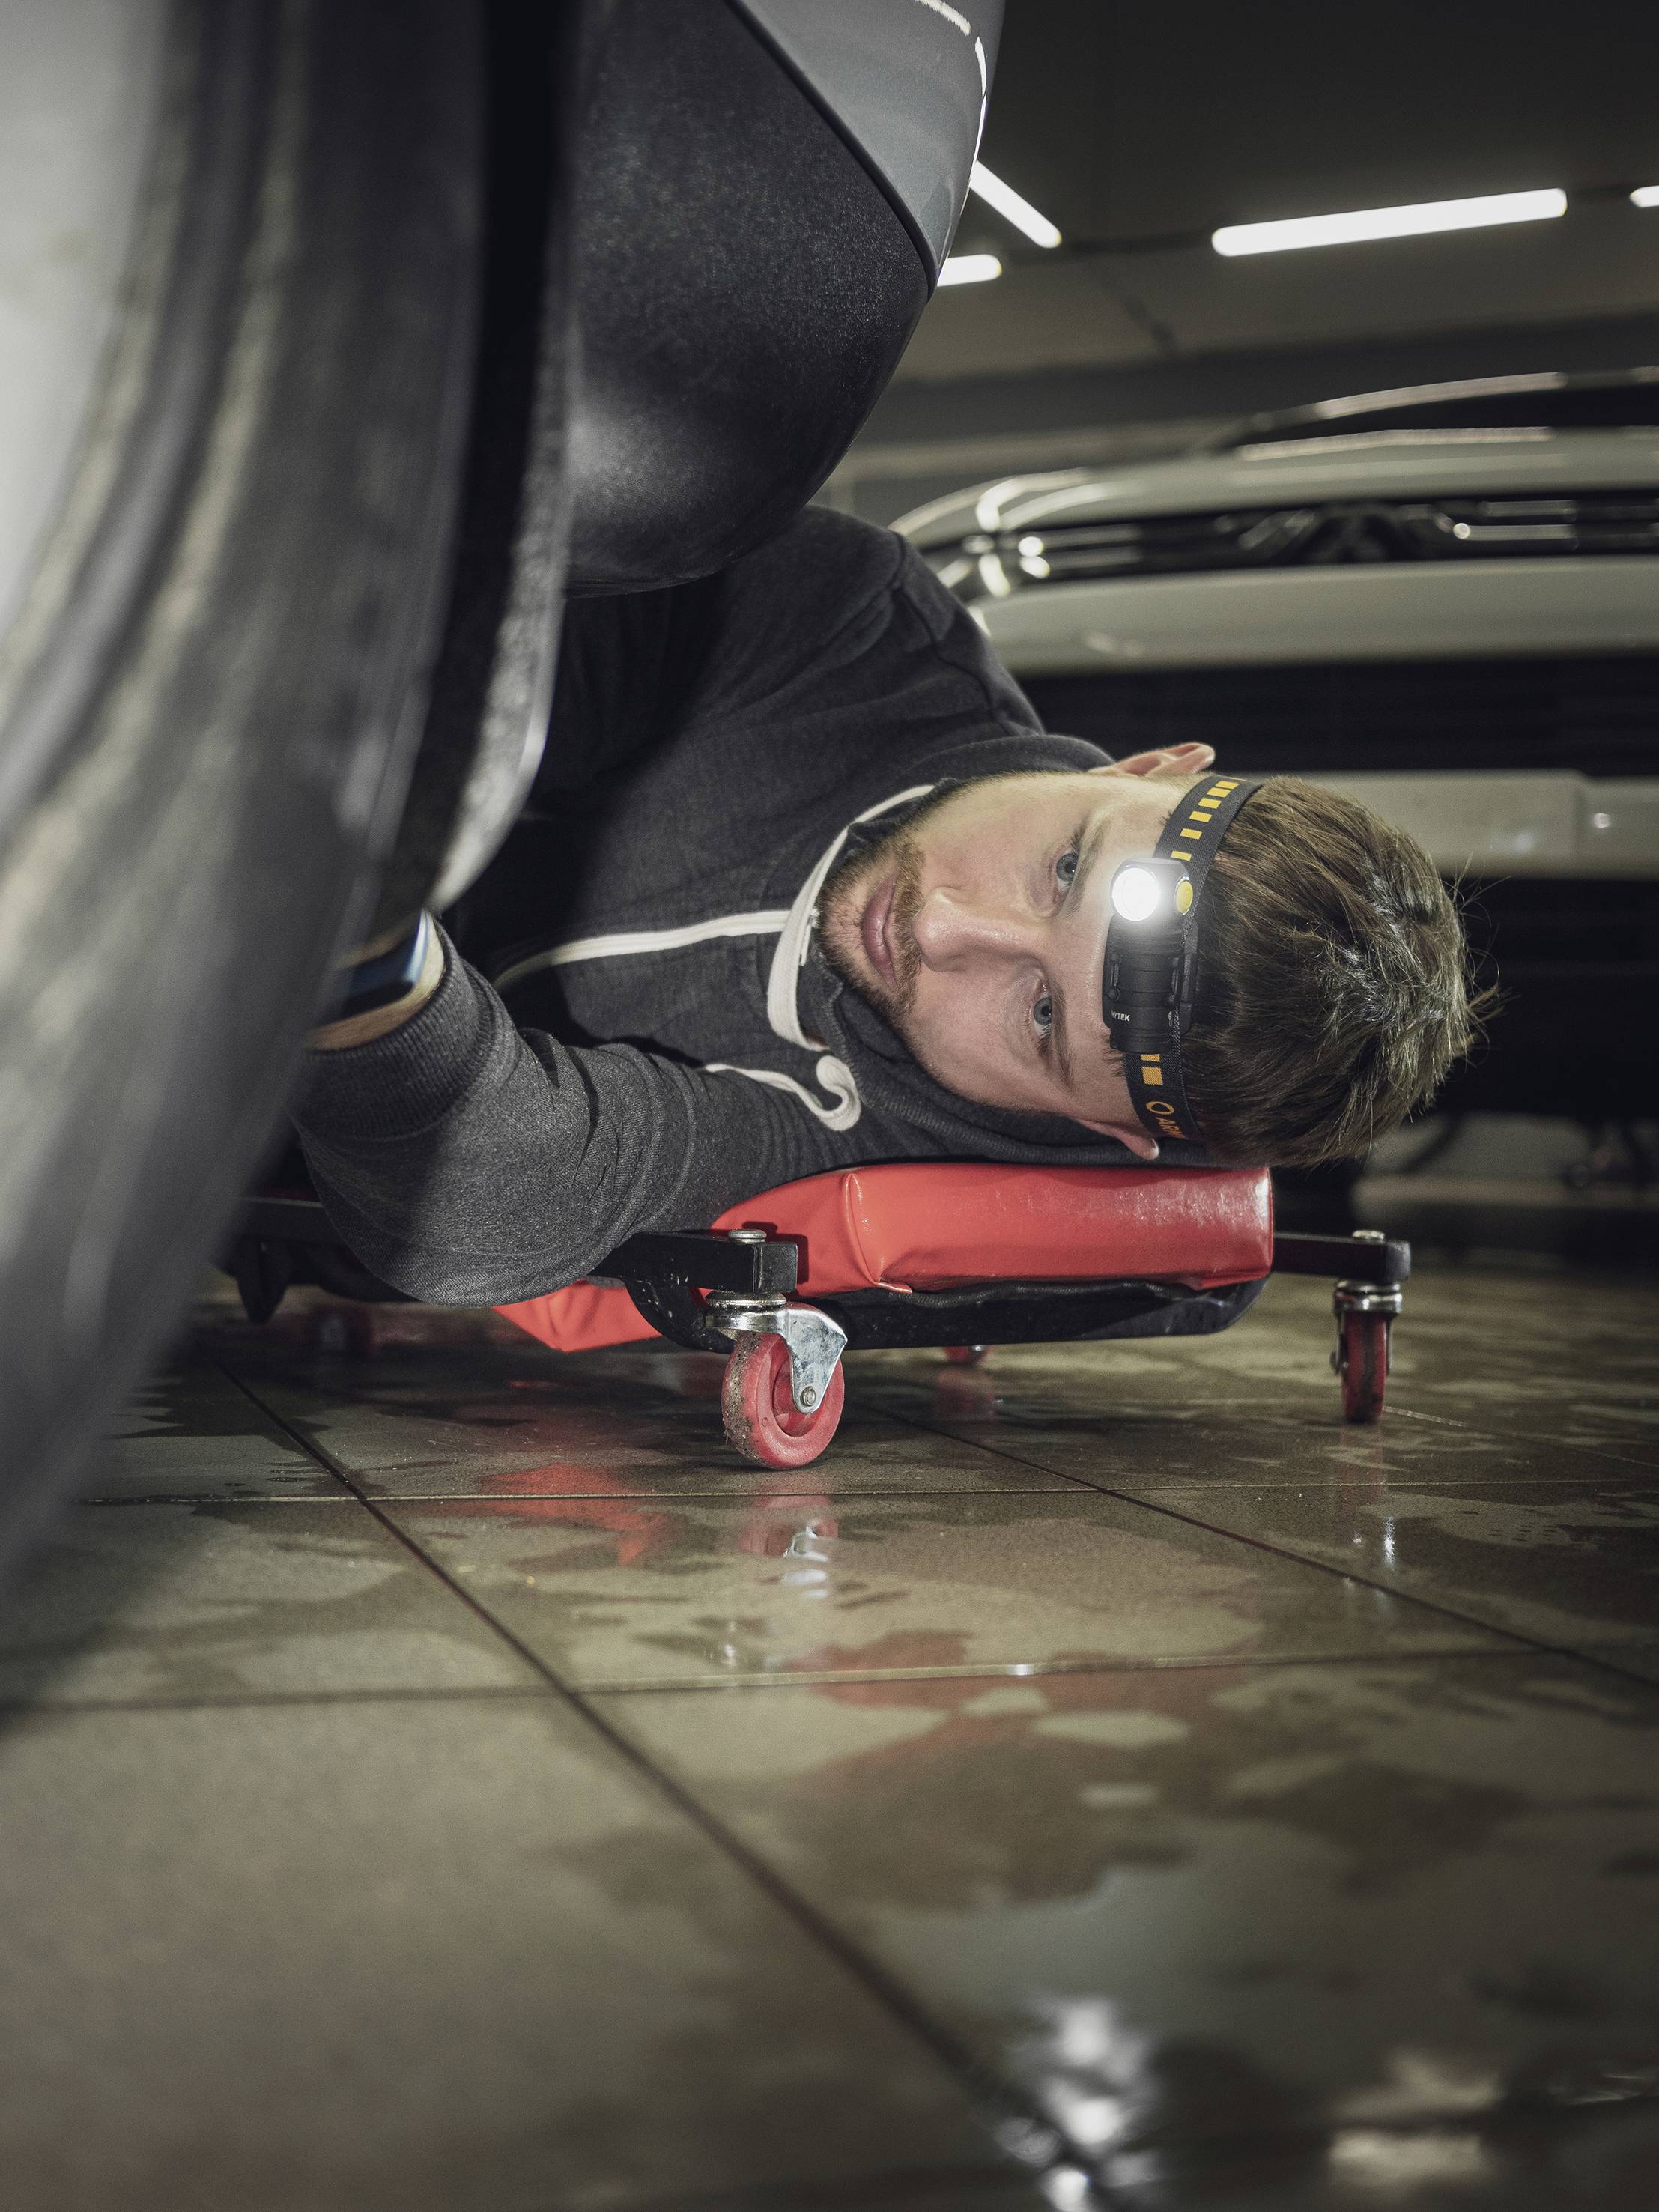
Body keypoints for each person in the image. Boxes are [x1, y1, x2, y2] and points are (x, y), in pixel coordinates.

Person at [294, 507, 1481, 1305]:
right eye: (1063, 871)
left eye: (1039, 1018)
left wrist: (352, 925)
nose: (949, 930)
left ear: (1113, 1133)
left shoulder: (900, 1139)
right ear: (1148, 769)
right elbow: (507, 651)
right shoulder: (846, 623)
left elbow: (495, 1188)